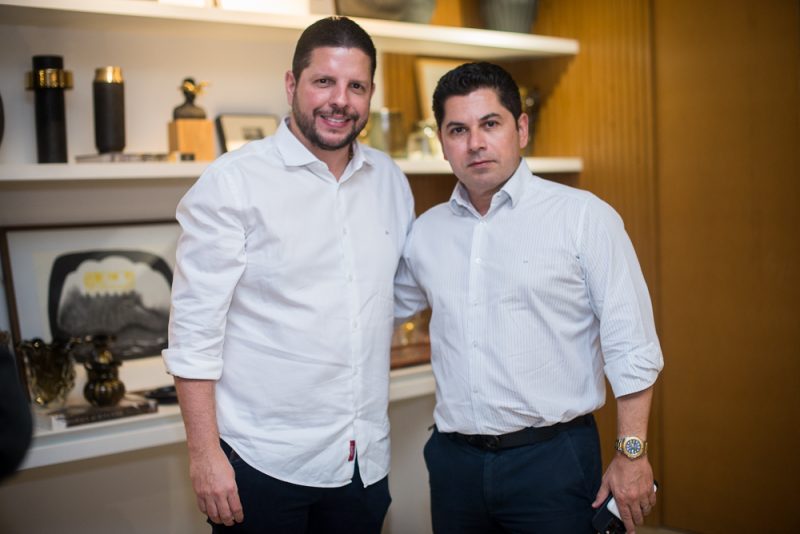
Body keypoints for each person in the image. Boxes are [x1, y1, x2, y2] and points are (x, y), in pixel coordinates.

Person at [162, 17, 415, 533]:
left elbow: (388, 297)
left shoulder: (390, 181)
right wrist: (206, 457)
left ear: (370, 94)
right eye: (324, 81)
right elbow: (194, 334)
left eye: (356, 86)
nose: (339, 100)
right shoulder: (232, 185)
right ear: (291, 84)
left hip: (363, 462)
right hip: (261, 465)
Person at [394, 62, 664, 534]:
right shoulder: (426, 233)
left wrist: (632, 454)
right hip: (454, 464)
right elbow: (378, 307)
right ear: (442, 142)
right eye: (458, 129)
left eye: (490, 124)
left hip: (552, 462)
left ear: (520, 128)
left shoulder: (584, 219)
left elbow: (633, 348)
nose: (475, 143)